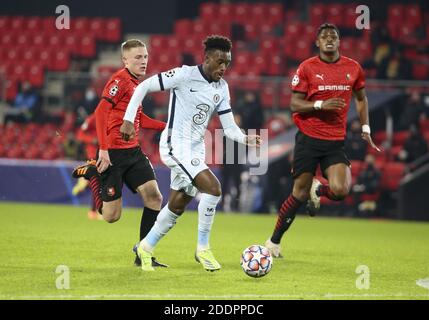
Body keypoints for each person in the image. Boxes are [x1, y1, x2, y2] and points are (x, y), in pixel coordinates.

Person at [120, 35, 261, 272]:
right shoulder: (184, 75)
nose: (223, 68)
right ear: (206, 59)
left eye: (227, 63)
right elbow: (144, 86)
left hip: (195, 148)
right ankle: (203, 248)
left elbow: (229, 128)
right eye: (219, 62)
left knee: (178, 204)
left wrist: (245, 138)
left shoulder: (222, 88)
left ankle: (145, 246)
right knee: (214, 188)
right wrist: (127, 119)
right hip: (176, 145)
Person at [264, 23, 380, 258]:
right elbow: (294, 104)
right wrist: (320, 105)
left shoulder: (353, 68)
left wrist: (366, 127)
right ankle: (273, 243)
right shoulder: (307, 67)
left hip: (335, 141)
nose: (329, 39)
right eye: (324, 36)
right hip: (308, 139)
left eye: (334, 36)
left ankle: (320, 190)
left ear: (339, 42)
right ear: (317, 42)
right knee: (298, 194)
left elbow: (361, 98)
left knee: (340, 190)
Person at [71, 39, 168, 268]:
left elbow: (139, 119)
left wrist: (168, 126)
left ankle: (144, 255)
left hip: (133, 152)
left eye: (145, 57)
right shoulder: (120, 80)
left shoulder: (138, 84)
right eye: (138, 57)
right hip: (112, 153)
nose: (143, 61)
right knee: (111, 216)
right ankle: (94, 175)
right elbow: (100, 111)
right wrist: (103, 150)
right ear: (125, 60)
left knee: (154, 197)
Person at [72, 113, 103, 220]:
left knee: (98, 183)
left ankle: (84, 181)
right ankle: (96, 211)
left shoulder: (111, 118)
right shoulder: (92, 118)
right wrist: (92, 140)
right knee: (99, 182)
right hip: (93, 156)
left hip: (104, 155)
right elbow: (80, 135)